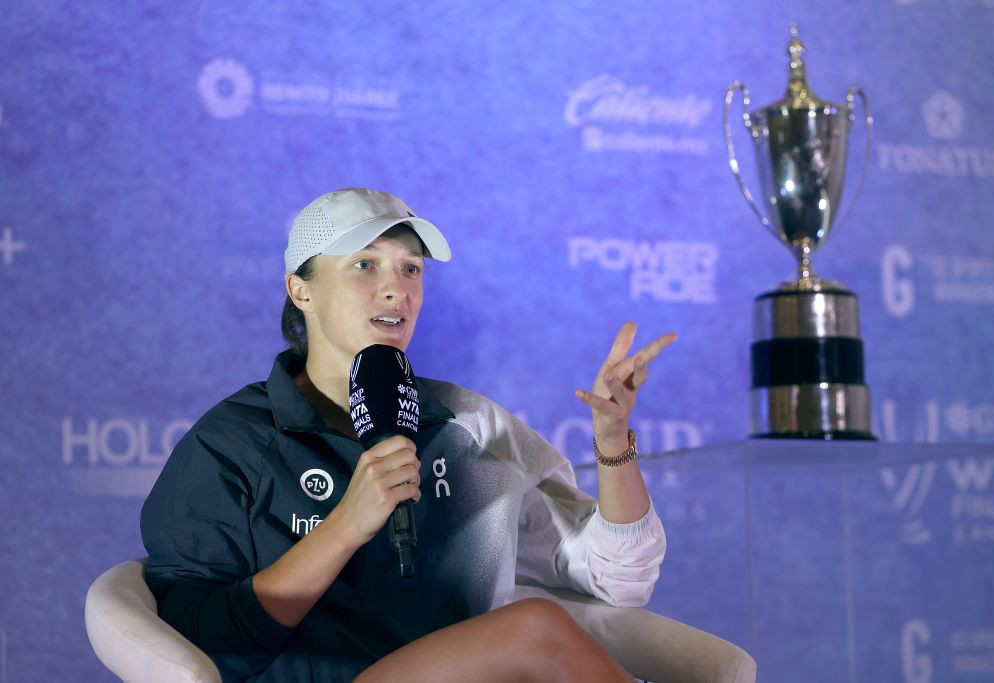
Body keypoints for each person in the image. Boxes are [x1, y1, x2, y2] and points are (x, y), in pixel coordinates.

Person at [141, 188, 677, 682]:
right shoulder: (231, 442)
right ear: (301, 291)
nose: (395, 289)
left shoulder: (467, 425)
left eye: (411, 269)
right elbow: (194, 643)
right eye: (364, 265)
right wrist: (346, 525)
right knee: (536, 630)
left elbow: (619, 580)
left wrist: (612, 441)